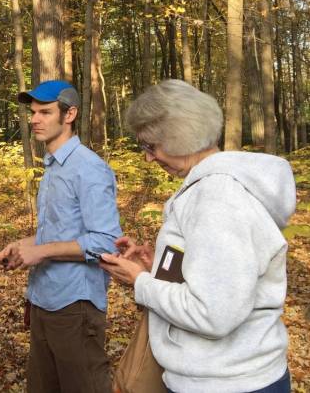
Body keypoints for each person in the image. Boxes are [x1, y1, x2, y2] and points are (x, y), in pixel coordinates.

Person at [100, 79, 295, 393]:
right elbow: (219, 278)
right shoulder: (214, 189)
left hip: (228, 382)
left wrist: (140, 282)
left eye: (151, 146)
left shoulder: (217, 198)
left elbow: (213, 315)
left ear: (179, 138)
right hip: (224, 376)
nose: (148, 158)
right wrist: (159, 267)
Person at [0, 80, 122, 393]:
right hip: (43, 300)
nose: (35, 119)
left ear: (70, 114)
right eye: (33, 112)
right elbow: (59, 231)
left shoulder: (89, 168)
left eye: (45, 112)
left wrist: (44, 251)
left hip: (74, 305)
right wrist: (25, 246)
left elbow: (106, 242)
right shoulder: (53, 166)